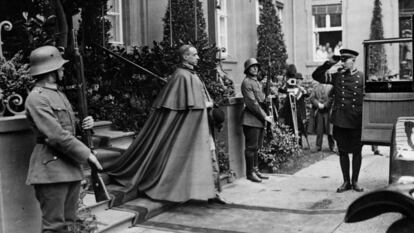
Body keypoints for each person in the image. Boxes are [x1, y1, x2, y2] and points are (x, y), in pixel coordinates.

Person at [103, 45, 225, 204]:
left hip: (202, 126)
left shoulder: (192, 75)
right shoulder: (181, 76)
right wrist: (205, 105)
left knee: (211, 157)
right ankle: (205, 192)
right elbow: (182, 108)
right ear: (185, 57)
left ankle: (214, 192)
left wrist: (207, 106)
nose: (198, 57)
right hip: (191, 129)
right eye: (194, 55)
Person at [24, 46, 103, 232]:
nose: (63, 69)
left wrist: (85, 124)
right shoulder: (37, 98)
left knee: (69, 223)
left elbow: (67, 128)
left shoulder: (58, 94)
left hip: (69, 166)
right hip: (50, 170)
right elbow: (55, 134)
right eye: (60, 67)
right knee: (55, 226)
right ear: (50, 70)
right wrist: (87, 154)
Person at [312, 49, 364, 193]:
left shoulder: (361, 77)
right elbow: (316, 75)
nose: (342, 62)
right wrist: (328, 63)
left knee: (357, 151)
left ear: (353, 60)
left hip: (356, 120)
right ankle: (346, 181)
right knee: (342, 151)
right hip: (340, 120)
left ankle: (355, 181)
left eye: (345, 59)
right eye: (341, 59)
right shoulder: (337, 76)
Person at [241, 58, 273, 183]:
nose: (255, 68)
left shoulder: (257, 82)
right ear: (247, 69)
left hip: (258, 119)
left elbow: (261, 99)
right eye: (252, 66)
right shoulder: (247, 82)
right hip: (250, 119)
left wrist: (267, 98)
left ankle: (256, 169)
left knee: (256, 147)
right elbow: (252, 103)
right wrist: (265, 116)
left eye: (256, 66)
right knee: (251, 147)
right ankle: (250, 173)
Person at [279, 64, 309, 147]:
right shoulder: (288, 85)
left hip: (299, 112)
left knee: (299, 128)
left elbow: (307, 94)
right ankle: (291, 144)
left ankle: (299, 145)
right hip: (289, 110)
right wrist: (286, 81)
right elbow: (281, 89)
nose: (298, 81)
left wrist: (300, 88)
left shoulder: (300, 89)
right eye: (297, 79)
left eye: (300, 80)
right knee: (290, 127)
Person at [310, 81, 335, 152]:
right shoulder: (316, 87)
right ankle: (318, 146)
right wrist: (318, 104)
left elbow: (332, 98)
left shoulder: (331, 87)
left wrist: (325, 105)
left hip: (329, 111)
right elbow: (312, 98)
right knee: (319, 129)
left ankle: (332, 146)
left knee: (330, 129)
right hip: (319, 111)